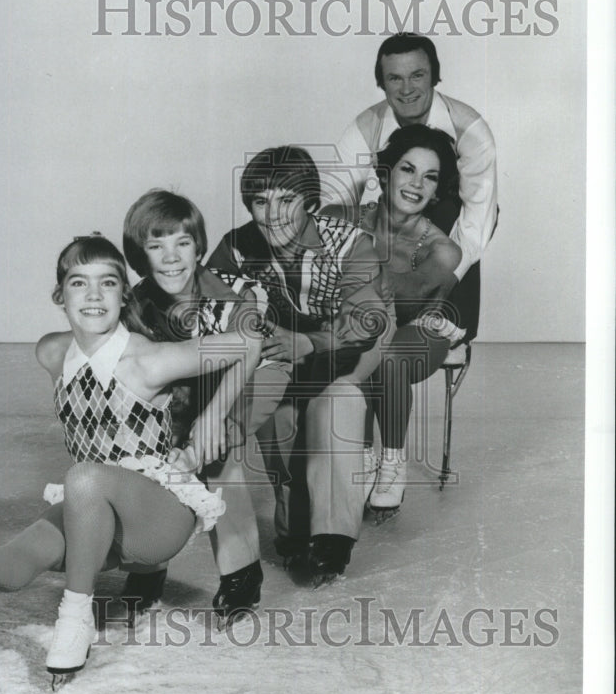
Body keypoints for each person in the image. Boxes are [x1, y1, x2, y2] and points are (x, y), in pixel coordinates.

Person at [0, 234, 262, 688]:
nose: (95, 295)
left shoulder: (149, 360)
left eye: (108, 283)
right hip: (94, 515)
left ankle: (74, 620)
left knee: (82, 477)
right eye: (80, 283)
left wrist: (213, 418)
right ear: (61, 296)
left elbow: (250, 341)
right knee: (18, 555)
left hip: (158, 517)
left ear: (125, 295)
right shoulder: (53, 352)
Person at [208, 146, 390, 586]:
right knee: (282, 419)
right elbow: (213, 302)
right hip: (284, 344)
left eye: (286, 200)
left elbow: (366, 319)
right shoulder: (235, 246)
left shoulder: (350, 244)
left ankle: (333, 540)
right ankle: (295, 531)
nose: (271, 215)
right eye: (260, 201)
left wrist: (309, 341)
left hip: (351, 342)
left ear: (310, 202)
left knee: (337, 403)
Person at [123, 190, 291, 626]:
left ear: (199, 247)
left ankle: (242, 571)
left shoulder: (231, 292)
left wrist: (212, 417)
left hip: (257, 372)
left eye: (182, 243)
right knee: (151, 452)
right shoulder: (138, 303)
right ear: (140, 255)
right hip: (199, 378)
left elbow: (251, 351)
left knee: (215, 450)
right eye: (156, 246)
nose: (171, 257)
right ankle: (147, 564)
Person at [324, 124, 466, 521]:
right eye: (408, 169)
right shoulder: (338, 216)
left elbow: (400, 302)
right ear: (384, 174)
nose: (417, 183)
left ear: (438, 190)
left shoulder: (443, 250)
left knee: (383, 353)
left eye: (430, 176)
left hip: (420, 330)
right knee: (362, 342)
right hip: (357, 326)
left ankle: (392, 461)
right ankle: (361, 453)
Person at [333, 32, 497, 340]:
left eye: (417, 75)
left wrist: (447, 279)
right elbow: (336, 210)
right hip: (389, 219)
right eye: (395, 78)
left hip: (444, 216)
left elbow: (478, 218)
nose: (407, 89)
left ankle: (452, 328)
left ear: (435, 76)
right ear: (381, 83)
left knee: (451, 210)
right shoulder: (363, 128)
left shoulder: (470, 129)